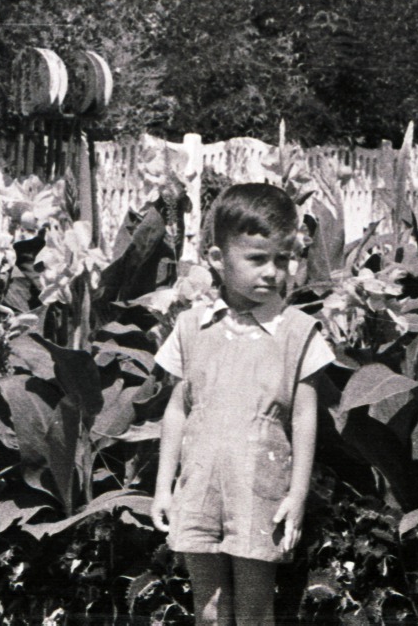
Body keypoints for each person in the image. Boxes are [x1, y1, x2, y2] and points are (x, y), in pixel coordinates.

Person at [150, 183, 335, 625]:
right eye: (256, 259)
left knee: (254, 609)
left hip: (260, 492)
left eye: (282, 258)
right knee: (209, 609)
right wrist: (162, 486)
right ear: (217, 260)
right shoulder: (192, 327)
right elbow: (177, 409)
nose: (272, 272)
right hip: (198, 489)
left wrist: (297, 493)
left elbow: (306, 418)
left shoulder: (296, 332)